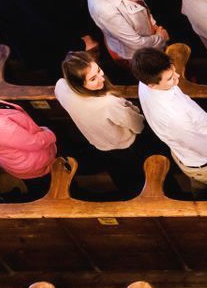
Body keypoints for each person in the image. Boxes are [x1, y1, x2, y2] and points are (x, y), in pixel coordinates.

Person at [130, 46, 207, 194]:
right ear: (152, 85)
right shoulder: (175, 118)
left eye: (173, 70)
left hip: (186, 156)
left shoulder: (147, 81)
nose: (178, 77)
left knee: (199, 187)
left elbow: (187, 102)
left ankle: (199, 191)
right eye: (169, 78)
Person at [53, 50, 151, 194]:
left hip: (100, 145)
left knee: (123, 181)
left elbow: (62, 84)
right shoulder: (109, 104)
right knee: (140, 180)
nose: (102, 78)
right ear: (78, 84)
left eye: (99, 70)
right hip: (126, 148)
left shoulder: (61, 88)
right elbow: (138, 126)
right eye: (93, 79)